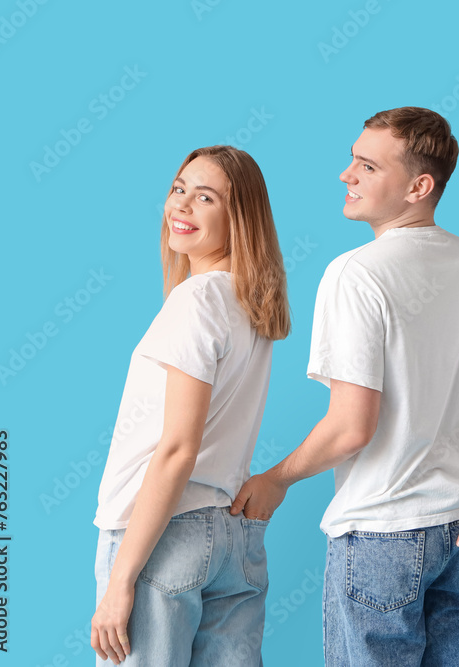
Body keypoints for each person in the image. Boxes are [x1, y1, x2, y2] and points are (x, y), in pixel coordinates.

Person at [230, 107, 459, 666]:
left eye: (366, 164)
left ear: (419, 186)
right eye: (352, 160)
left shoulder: (356, 272)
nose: (347, 175)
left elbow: (351, 426)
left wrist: (277, 478)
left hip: (389, 530)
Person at [91, 146, 290, 665]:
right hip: (233, 537)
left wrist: (121, 581)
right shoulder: (249, 305)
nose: (181, 206)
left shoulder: (196, 300)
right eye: (179, 189)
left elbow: (179, 447)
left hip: (163, 534)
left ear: (238, 217)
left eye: (205, 198)